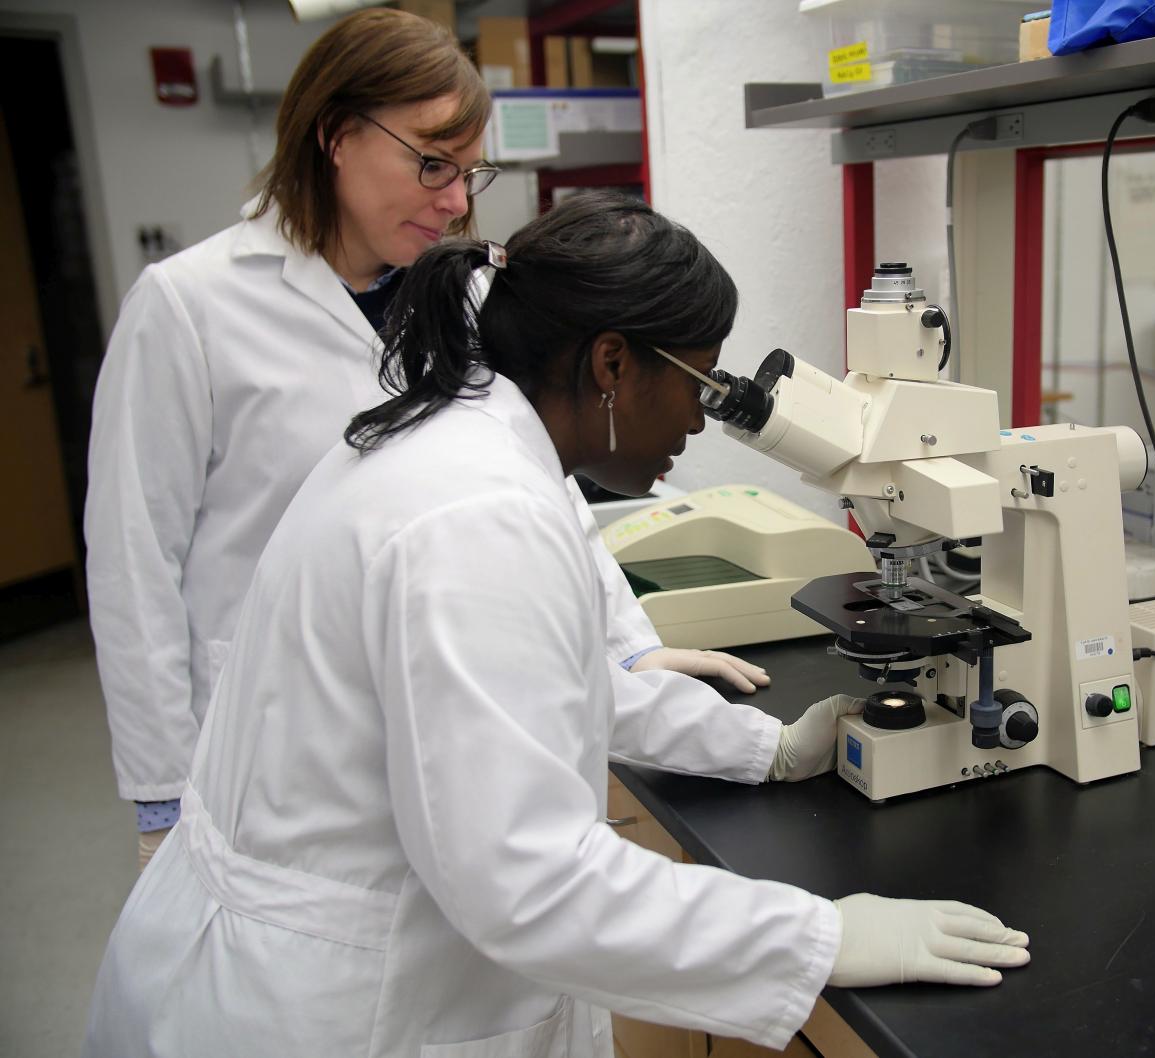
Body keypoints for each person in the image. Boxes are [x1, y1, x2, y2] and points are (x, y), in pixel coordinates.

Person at [82, 192, 1030, 1057]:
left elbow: (536, 688)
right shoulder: (475, 515)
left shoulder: (453, 437)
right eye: (696, 383)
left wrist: (766, 747)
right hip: (323, 1005)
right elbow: (527, 883)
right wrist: (820, 936)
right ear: (611, 363)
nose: (699, 423)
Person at [84, 9, 764, 871]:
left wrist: (627, 648)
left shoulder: (464, 300)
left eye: (470, 173)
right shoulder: (190, 306)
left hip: (445, 697)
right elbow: (132, 563)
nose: (454, 202)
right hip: (269, 738)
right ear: (335, 135)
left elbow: (540, 478)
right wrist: (160, 795)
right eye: (432, 164)